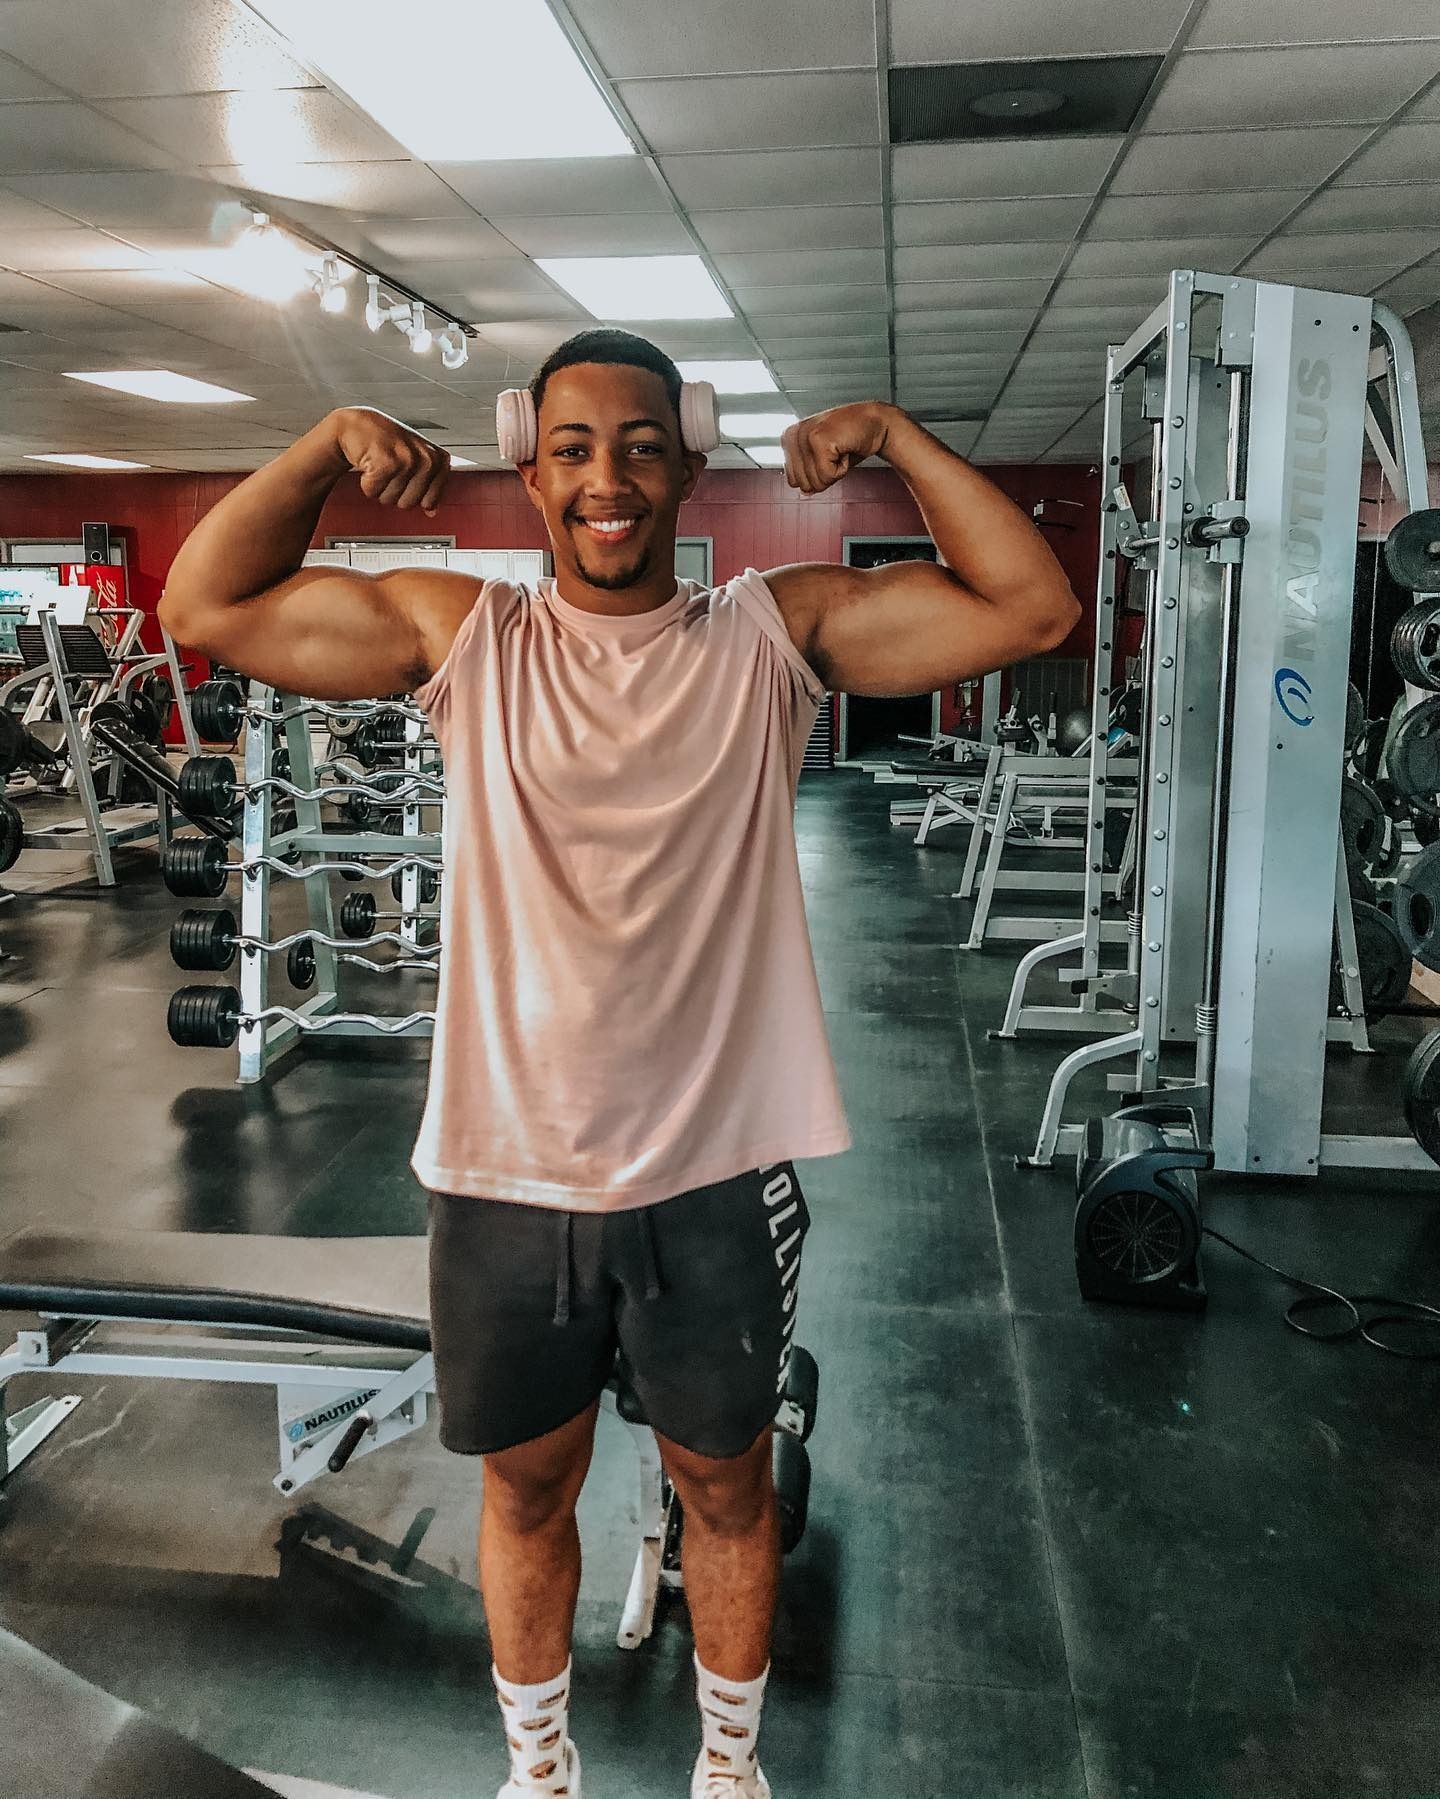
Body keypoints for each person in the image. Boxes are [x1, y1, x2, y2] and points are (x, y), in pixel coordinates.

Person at [159, 327, 1079, 1798]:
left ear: (689, 458)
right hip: (505, 1175)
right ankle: (540, 1774)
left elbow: (1034, 609)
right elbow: (205, 601)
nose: (608, 480)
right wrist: (329, 450)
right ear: (530, 463)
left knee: (726, 1488)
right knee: (528, 1490)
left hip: (717, 1174)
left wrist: (899, 434)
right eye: (576, 448)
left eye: (642, 446)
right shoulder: (466, 638)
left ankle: (729, 1768)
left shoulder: (774, 636)